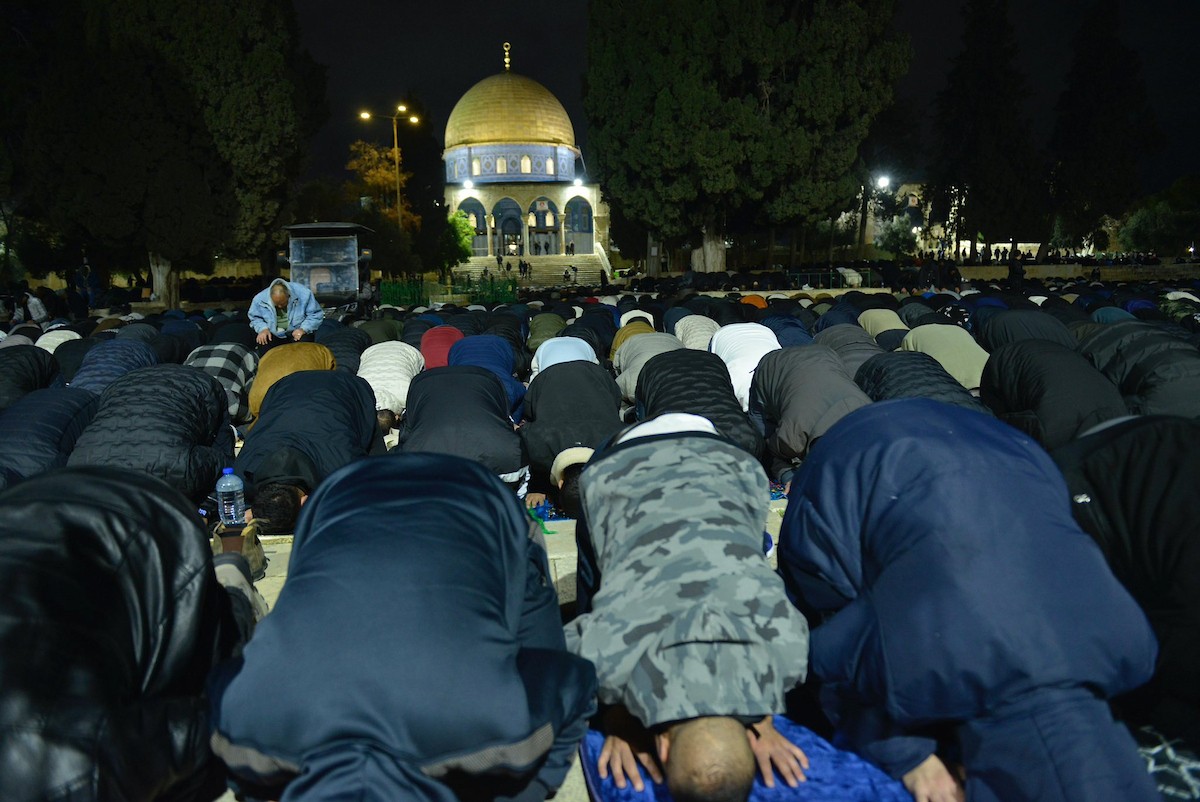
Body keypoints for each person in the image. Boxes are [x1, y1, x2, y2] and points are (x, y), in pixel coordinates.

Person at [779, 399, 1160, 802]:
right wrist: (910, 760)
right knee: (816, 626)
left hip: (1003, 447)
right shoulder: (926, 661)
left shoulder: (1134, 647)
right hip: (850, 460)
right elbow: (830, 659)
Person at [210, 455, 598, 802]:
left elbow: (574, 682)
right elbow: (575, 681)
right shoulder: (246, 734)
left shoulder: (496, 728)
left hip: (468, 498)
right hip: (346, 501)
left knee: (537, 651)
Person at [566, 413, 811, 797]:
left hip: (727, 460)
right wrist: (614, 717)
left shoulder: (788, 658)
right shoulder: (605, 662)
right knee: (598, 581)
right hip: (622, 464)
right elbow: (565, 649)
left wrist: (761, 713)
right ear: (660, 748)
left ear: (664, 747)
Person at [0, 468, 261, 801]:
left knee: (218, 667)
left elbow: (221, 725)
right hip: (29, 508)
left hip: (153, 529)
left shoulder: (80, 770)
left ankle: (233, 582)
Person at [236, 370, 381, 535]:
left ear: (305, 502)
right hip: (284, 387)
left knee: (378, 469)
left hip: (348, 389)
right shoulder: (243, 474)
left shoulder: (342, 472)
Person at [248, 278, 324, 350]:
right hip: (273, 333)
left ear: (289, 296)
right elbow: (255, 318)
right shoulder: (259, 299)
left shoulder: (304, 294)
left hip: (297, 332)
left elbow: (315, 315)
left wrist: (303, 329)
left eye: (283, 304)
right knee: (262, 339)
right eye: (276, 305)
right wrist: (263, 329)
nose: (280, 307)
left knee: (304, 340)